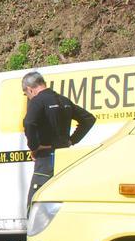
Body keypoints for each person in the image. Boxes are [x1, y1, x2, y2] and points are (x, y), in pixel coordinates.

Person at [22, 71, 95, 207]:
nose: (28, 97)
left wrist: (34, 147)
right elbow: (88, 119)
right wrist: (72, 140)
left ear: (30, 89)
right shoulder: (63, 100)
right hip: (65, 158)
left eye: (26, 94)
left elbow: (28, 123)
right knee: (61, 201)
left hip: (46, 158)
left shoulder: (37, 101)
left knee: (36, 202)